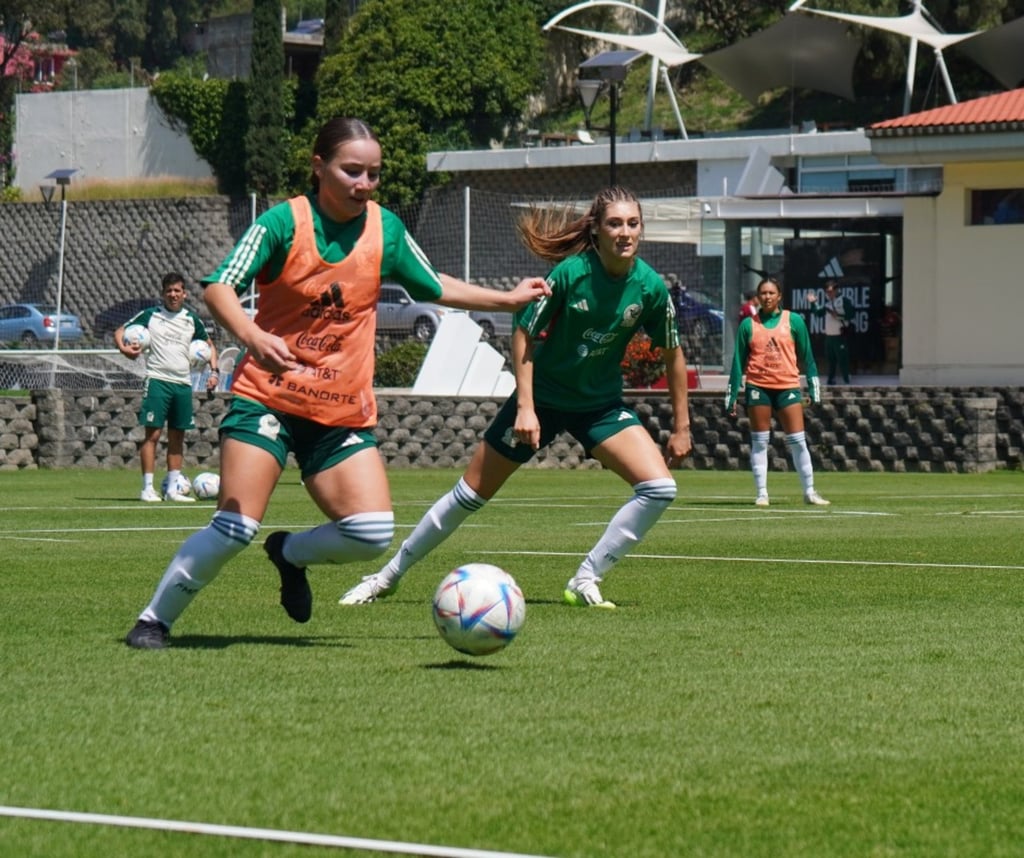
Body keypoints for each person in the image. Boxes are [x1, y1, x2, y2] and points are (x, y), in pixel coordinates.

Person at [123, 117, 549, 649]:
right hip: (268, 399)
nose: (364, 184)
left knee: (371, 533)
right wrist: (253, 337)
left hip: (339, 411)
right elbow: (219, 289)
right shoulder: (283, 223)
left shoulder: (385, 229)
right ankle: (152, 621)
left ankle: (289, 553)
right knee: (234, 528)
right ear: (318, 166)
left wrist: (506, 299)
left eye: (373, 174)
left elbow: (434, 284)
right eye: (352, 171)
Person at [339, 186, 693, 610]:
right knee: (470, 495)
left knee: (658, 488)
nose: (625, 232)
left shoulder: (650, 287)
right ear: (597, 229)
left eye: (633, 223)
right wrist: (525, 407)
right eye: (615, 223)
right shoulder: (570, 274)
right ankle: (385, 577)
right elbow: (523, 333)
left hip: (600, 406)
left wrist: (682, 427)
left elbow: (674, 353)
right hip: (541, 399)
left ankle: (586, 579)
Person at [114, 272, 219, 503]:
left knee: (177, 437)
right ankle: (147, 489)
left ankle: (172, 489)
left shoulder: (191, 320)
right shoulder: (151, 316)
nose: (173, 294)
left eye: (177, 290)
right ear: (163, 294)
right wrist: (124, 349)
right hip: (158, 380)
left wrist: (214, 372)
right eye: (169, 291)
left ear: (184, 294)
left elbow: (209, 346)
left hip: (183, 383)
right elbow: (120, 330)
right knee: (153, 435)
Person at [726, 277, 829, 508]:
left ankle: (809, 492)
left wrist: (814, 387)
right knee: (760, 442)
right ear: (758, 297)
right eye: (763, 293)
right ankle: (762, 493)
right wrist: (731, 395)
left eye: (772, 293)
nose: (767, 297)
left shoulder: (793, 321)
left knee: (798, 441)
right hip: (758, 388)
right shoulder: (748, 325)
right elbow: (737, 363)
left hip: (787, 387)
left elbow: (808, 357)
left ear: (779, 296)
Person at [806, 279, 850, 385]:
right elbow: (819, 313)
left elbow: (851, 314)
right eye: (827, 292)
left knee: (842, 359)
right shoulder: (828, 302)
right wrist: (813, 302)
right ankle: (831, 380)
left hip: (840, 335)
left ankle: (847, 380)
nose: (829, 294)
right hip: (829, 336)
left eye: (831, 291)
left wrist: (838, 316)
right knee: (831, 360)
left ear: (836, 290)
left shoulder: (844, 301)